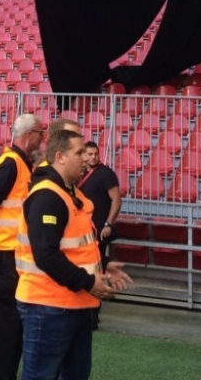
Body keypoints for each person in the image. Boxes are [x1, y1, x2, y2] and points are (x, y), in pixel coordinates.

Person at [15, 129, 132, 380]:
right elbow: (46, 255)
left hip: (72, 303)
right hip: (48, 305)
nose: (86, 158)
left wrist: (104, 264)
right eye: (79, 153)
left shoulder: (71, 193)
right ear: (60, 157)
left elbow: (77, 247)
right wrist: (89, 282)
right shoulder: (48, 195)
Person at [0, 112, 44, 380]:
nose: (43, 137)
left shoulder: (21, 162)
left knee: (13, 323)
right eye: (41, 133)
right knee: (5, 324)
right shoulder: (12, 164)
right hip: (8, 254)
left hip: (14, 252)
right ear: (29, 136)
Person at [79, 140, 122, 330]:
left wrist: (108, 224)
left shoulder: (106, 174)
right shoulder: (79, 173)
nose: (93, 157)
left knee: (96, 269)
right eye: (89, 154)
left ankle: (93, 314)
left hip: (98, 231)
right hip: (82, 231)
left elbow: (116, 200)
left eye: (95, 154)